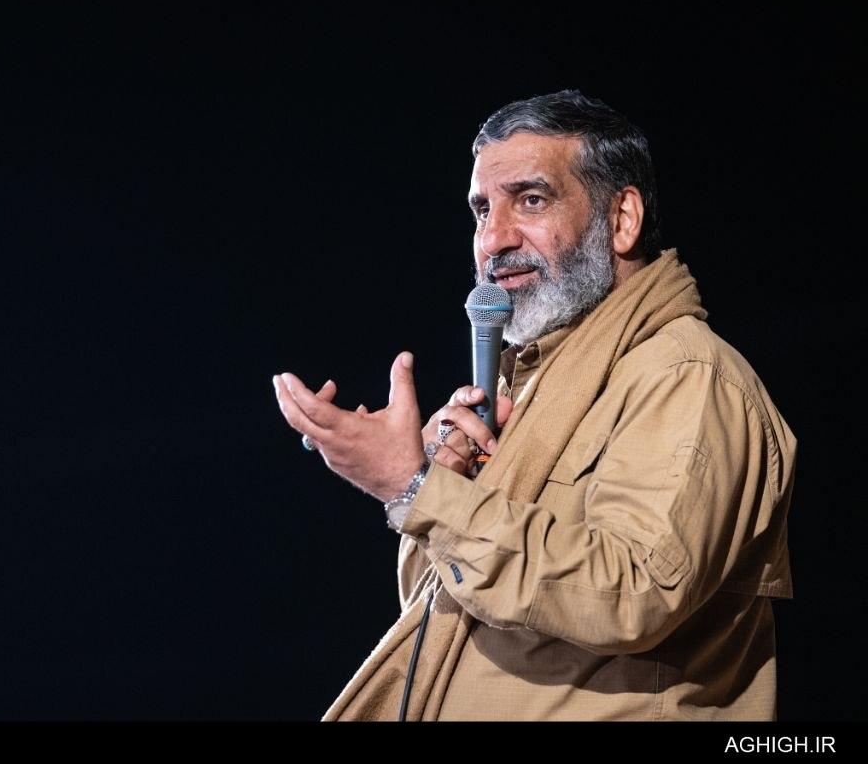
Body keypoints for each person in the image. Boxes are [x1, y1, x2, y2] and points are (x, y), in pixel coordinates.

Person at [271, 89, 795, 720]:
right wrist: (438, 480)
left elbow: (635, 593)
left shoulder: (686, 376)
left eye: (531, 200)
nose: (492, 239)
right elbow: (449, 615)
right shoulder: (524, 389)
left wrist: (414, 488)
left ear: (622, 219)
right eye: (481, 210)